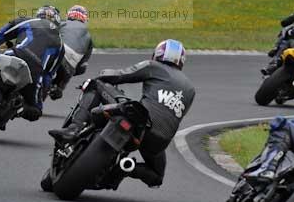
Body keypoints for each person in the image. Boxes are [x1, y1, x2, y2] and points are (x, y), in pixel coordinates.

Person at [49, 39, 196, 188]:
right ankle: (125, 168)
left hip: (140, 121)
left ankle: (73, 128)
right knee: (157, 176)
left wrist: (102, 75)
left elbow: (120, 75)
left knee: (97, 85)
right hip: (159, 141)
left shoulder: (154, 66)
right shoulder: (190, 89)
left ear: (157, 54)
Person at [49, 5, 93, 101]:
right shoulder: (89, 38)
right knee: (65, 76)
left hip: (55, 54)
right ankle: (58, 87)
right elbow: (82, 67)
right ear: (85, 19)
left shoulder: (62, 23)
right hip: (69, 66)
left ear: (69, 15)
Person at [262, 6, 294, 76]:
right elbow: (284, 22)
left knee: (286, 40)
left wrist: (291, 31)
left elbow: (284, 23)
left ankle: (274, 60)